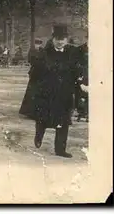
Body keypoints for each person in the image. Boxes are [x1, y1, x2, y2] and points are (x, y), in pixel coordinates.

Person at [31, 24, 79, 158]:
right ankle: (39, 134)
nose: (60, 41)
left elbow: (76, 70)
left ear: (67, 39)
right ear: (52, 39)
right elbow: (34, 73)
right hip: (47, 92)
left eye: (63, 39)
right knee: (43, 118)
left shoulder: (72, 52)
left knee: (63, 121)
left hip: (64, 92)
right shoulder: (44, 52)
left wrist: (79, 82)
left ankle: (60, 149)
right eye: (57, 38)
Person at [19, 39, 45, 119]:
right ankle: (28, 111)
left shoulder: (43, 51)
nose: (38, 45)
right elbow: (30, 60)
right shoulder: (32, 51)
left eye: (39, 44)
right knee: (32, 91)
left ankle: (38, 111)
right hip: (34, 73)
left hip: (41, 73)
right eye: (37, 44)